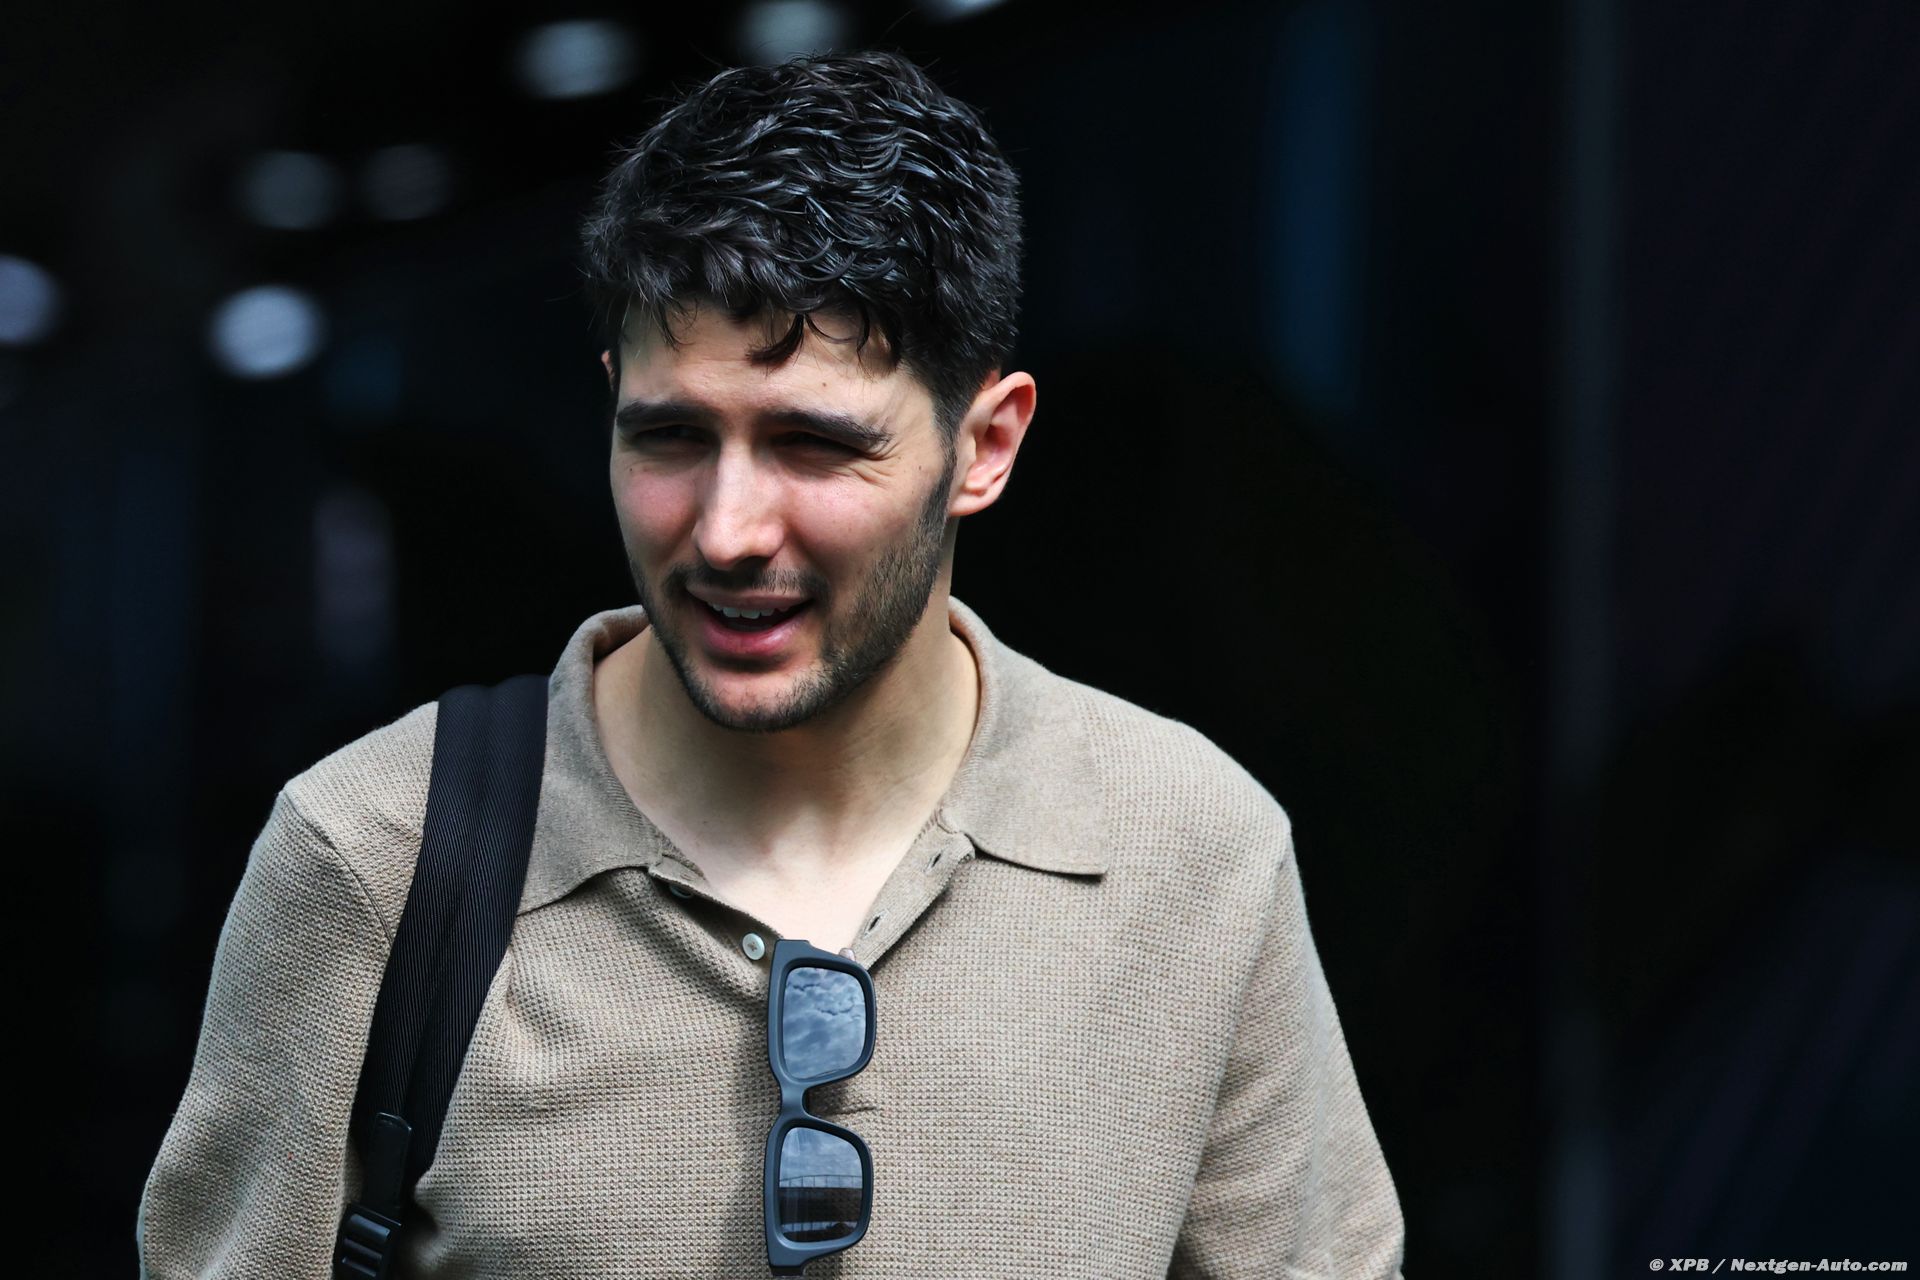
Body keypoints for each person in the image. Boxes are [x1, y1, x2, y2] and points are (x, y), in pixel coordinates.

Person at [138, 49, 1406, 1279]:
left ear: (985, 444)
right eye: (673, 436)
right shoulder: (374, 858)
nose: (728, 529)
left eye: (813, 444)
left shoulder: (1193, 856)